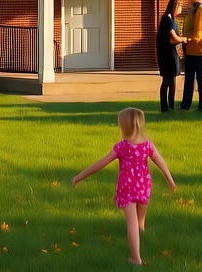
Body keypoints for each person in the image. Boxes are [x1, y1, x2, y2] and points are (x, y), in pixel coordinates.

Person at [73, 107, 177, 266]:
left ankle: (136, 258)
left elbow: (101, 163)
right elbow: (160, 161)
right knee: (140, 221)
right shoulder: (147, 145)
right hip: (143, 187)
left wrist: (81, 175)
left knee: (132, 224)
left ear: (124, 128)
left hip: (127, 190)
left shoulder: (122, 147)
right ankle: (142, 236)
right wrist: (170, 180)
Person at [179, 0, 202, 112]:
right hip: (191, 50)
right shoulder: (194, 9)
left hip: (200, 50)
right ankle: (185, 105)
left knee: (200, 78)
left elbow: (198, 33)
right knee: (189, 78)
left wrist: (185, 39)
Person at [155, 0, 187, 113]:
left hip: (167, 53)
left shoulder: (169, 18)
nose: (181, 9)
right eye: (180, 6)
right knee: (168, 81)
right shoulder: (168, 19)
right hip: (167, 55)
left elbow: (171, 40)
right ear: (175, 6)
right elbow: (173, 37)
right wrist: (183, 39)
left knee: (170, 81)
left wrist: (179, 39)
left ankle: (169, 107)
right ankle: (166, 108)